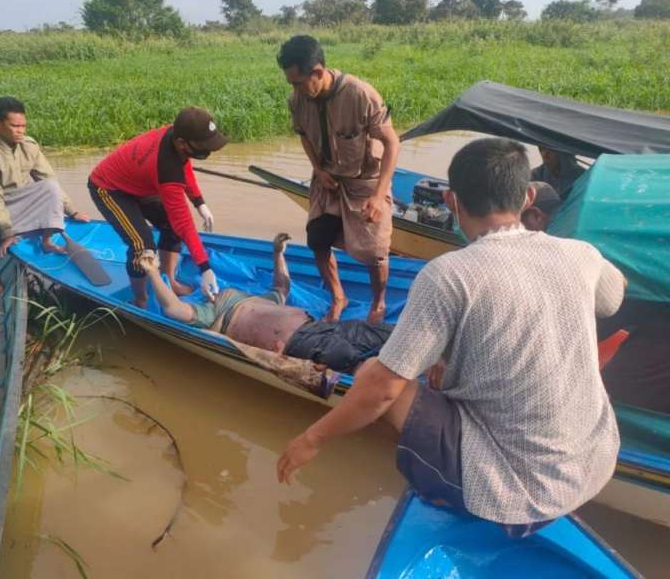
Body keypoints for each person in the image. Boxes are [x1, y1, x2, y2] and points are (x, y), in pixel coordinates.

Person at [278, 138, 626, 538]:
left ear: (451, 200)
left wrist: (313, 437)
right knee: (438, 366)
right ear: (528, 196)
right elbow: (614, 297)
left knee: (375, 368)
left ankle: (451, 493)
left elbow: (382, 389)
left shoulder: (448, 275)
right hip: (596, 463)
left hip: (517, 496)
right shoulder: (581, 254)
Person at [138, 233, 394, 374]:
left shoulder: (257, 297)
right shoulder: (212, 312)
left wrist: (277, 253)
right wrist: (152, 272)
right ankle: (382, 385)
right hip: (299, 342)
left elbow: (282, 285)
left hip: (325, 327)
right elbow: (173, 308)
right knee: (347, 357)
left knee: (382, 334)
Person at [277, 35, 399, 324]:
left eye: (298, 82)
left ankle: (378, 302)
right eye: (291, 83)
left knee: (375, 251)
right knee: (317, 240)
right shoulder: (298, 100)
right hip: (328, 179)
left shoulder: (360, 95)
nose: (295, 89)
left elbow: (392, 143)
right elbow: (305, 136)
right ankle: (338, 297)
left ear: (317, 72)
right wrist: (318, 169)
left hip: (365, 182)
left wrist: (379, 196)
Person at [88, 107, 224, 308]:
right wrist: (205, 268)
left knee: (171, 226)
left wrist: (199, 202)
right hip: (109, 188)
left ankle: (168, 281)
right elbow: (184, 223)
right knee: (142, 247)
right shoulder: (167, 172)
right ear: (181, 143)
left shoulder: (176, 135)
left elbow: (184, 167)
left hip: (141, 183)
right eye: (202, 146)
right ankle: (140, 298)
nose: (206, 151)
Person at [0, 96, 90, 297]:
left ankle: (47, 240)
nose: (21, 131)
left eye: (23, 126)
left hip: (20, 197)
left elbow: (48, 179)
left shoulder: (29, 145)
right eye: (15, 126)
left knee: (50, 186)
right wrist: (6, 232)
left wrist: (72, 211)